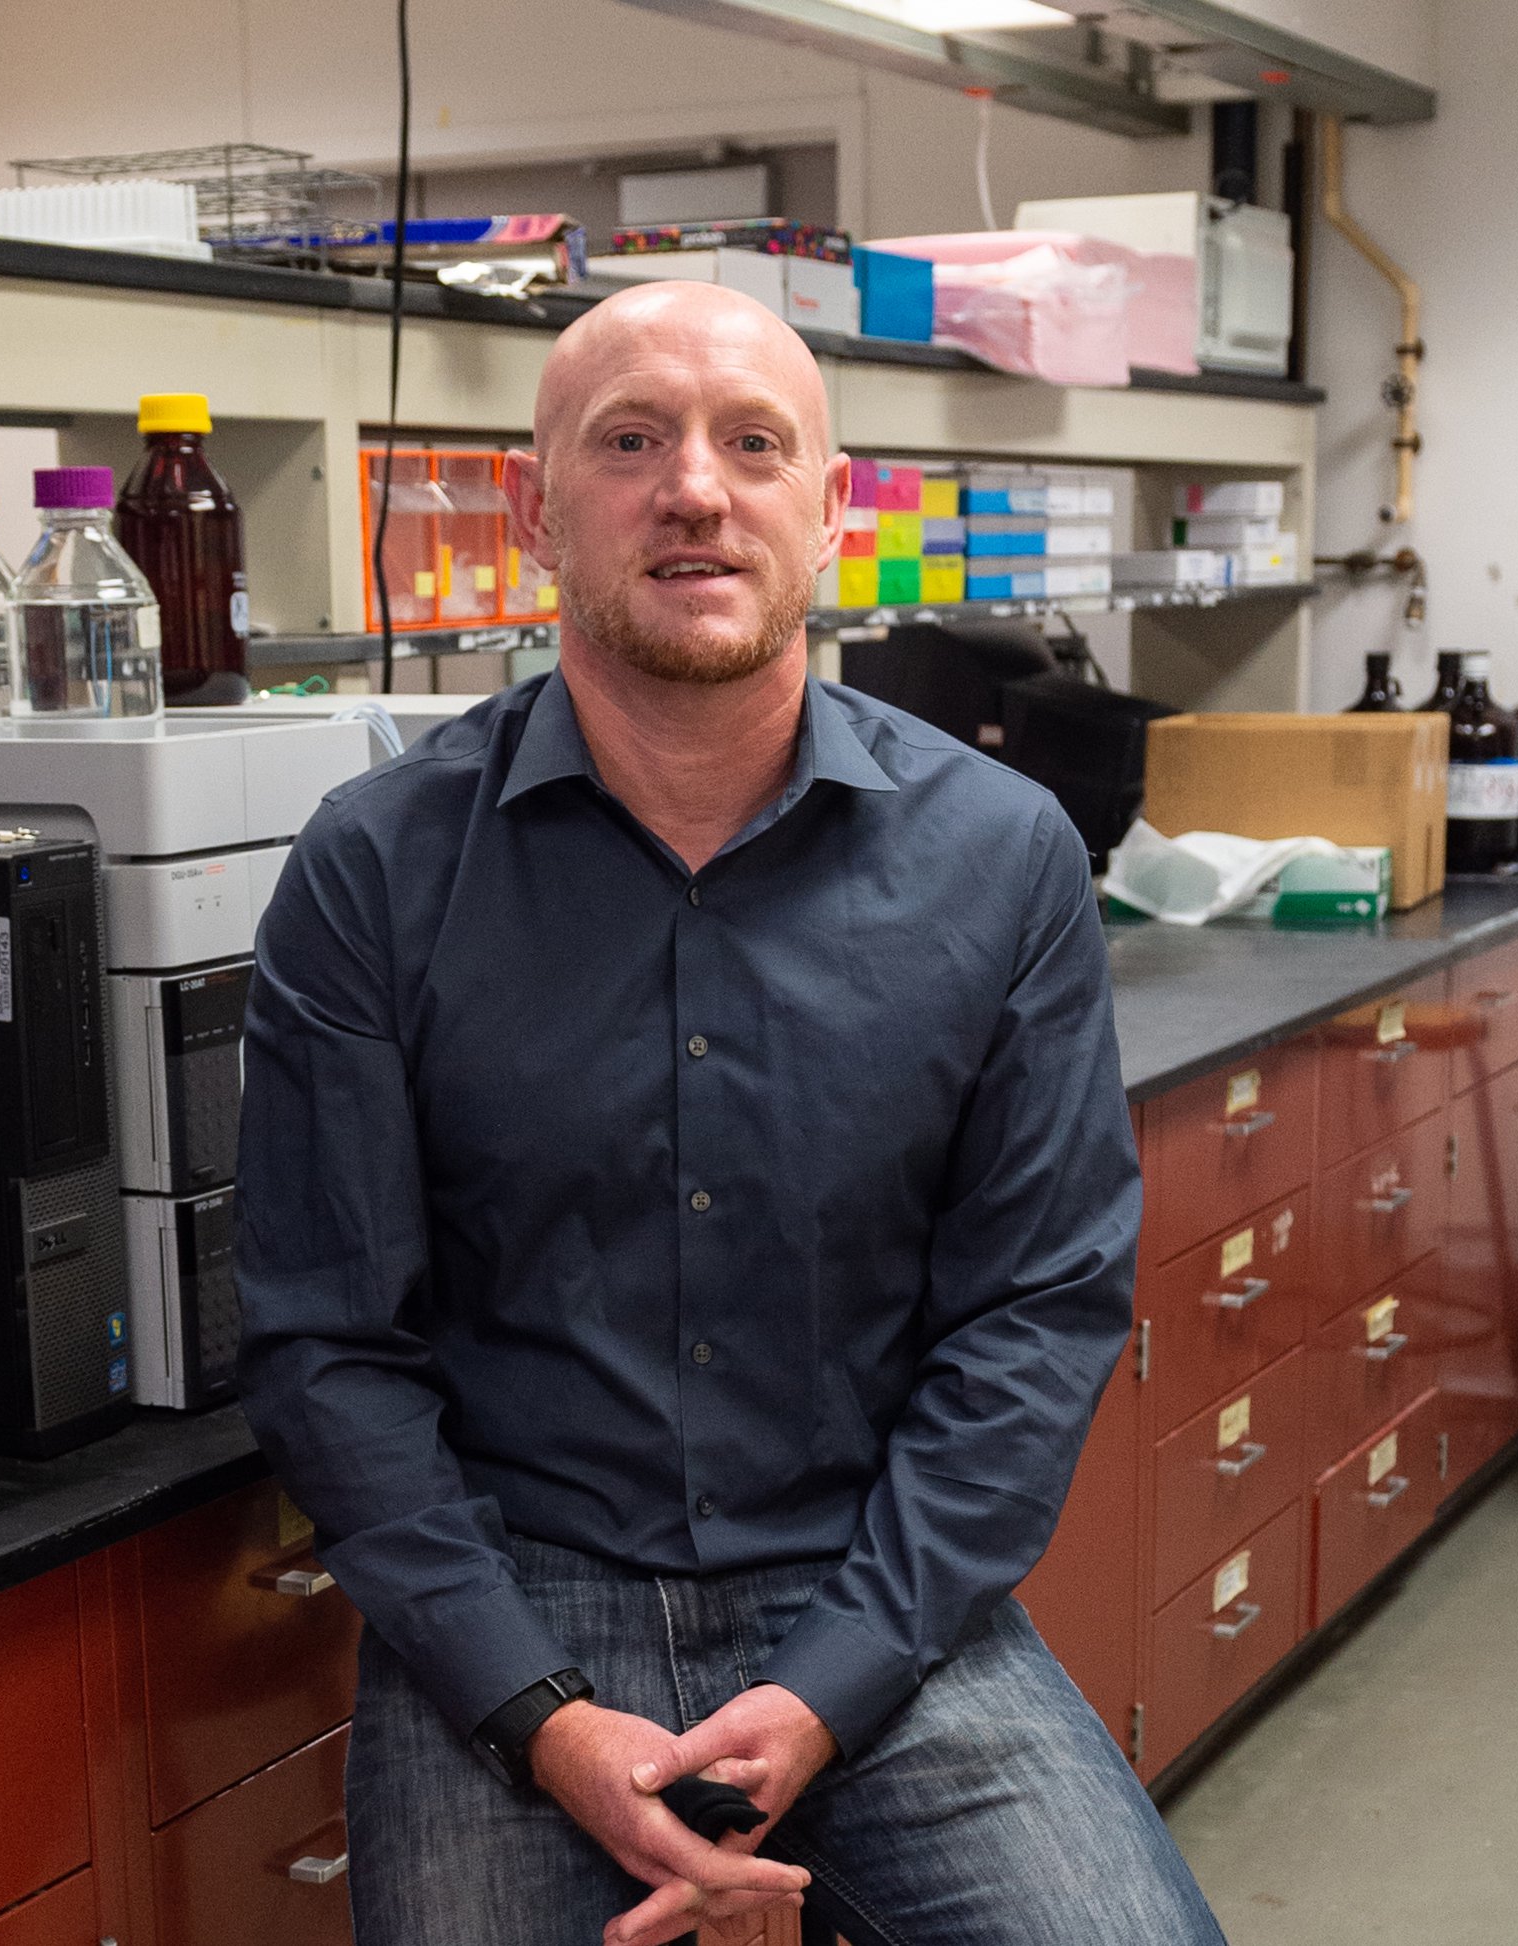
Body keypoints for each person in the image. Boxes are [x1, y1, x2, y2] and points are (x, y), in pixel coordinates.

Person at [236, 280, 1223, 1946]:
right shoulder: (378, 868)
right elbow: (330, 1342)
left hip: (878, 1586)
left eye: (752, 443)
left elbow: (1037, 1312)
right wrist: (539, 1713)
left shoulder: (1002, 858)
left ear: (829, 510)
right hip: (511, 1590)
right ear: (538, 508)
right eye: (631, 441)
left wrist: (834, 1682)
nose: (694, 486)